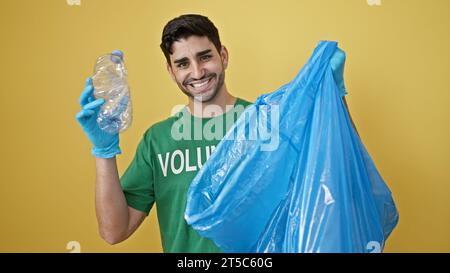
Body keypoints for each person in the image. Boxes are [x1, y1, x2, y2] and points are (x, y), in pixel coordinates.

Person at [75, 14, 355, 253]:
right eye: (183, 63)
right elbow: (114, 231)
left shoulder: (269, 123)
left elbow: (341, 173)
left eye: (205, 57)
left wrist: (335, 96)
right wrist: (105, 151)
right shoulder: (158, 140)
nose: (197, 72)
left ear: (223, 56)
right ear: (171, 72)